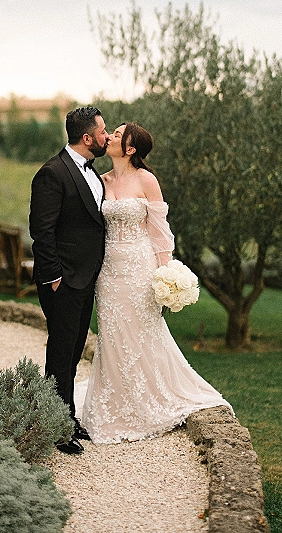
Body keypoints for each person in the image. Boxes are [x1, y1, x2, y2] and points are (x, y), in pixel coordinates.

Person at [80, 122, 233, 444]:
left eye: (118, 135)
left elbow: (160, 232)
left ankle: (151, 399)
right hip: (109, 271)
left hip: (139, 267)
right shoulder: (100, 180)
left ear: (131, 149)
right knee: (112, 335)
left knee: (143, 332)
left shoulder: (146, 180)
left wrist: (167, 274)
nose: (110, 137)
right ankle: (116, 402)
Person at [29, 106, 109, 454]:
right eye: (103, 131)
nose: (107, 137)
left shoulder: (93, 174)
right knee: (61, 352)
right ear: (87, 137)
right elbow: (41, 230)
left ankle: (67, 417)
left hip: (86, 279)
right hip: (63, 281)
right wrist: (54, 277)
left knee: (74, 351)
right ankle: (56, 429)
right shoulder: (52, 173)